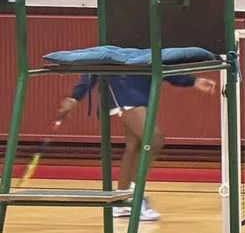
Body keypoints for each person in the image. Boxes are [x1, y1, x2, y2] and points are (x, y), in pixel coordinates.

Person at [54, 67, 221, 223]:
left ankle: (120, 201)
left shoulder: (149, 46)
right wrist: (75, 96)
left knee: (134, 145)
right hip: (122, 91)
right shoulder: (117, 47)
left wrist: (193, 81)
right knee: (154, 140)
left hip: (141, 93)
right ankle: (135, 197)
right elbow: (96, 64)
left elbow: (160, 64)